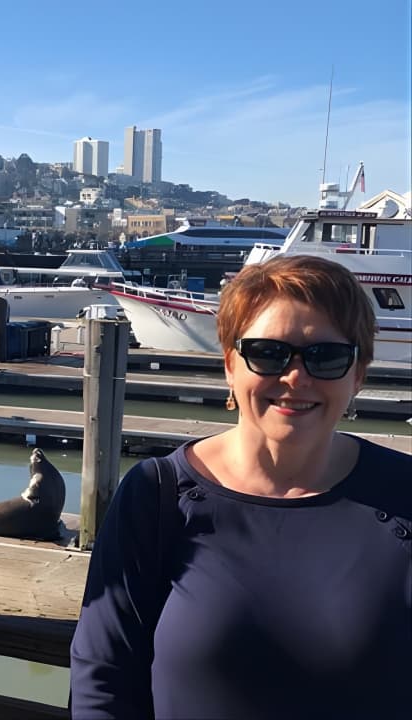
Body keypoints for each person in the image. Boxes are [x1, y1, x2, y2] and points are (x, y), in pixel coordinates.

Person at [70, 254, 411, 719]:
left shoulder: (404, 493)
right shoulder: (156, 496)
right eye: (268, 353)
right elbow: (102, 681)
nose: (296, 376)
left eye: (326, 357)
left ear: (359, 374)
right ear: (231, 365)